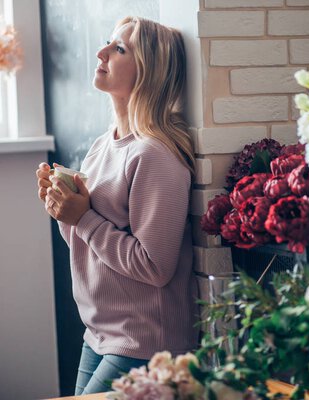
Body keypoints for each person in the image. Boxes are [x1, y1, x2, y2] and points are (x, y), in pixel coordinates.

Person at [35, 16, 198, 395]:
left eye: (120, 49)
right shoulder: (103, 145)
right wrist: (62, 206)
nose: (101, 52)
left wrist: (83, 217)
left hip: (145, 343)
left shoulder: (154, 155)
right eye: (109, 43)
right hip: (101, 334)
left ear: (149, 73)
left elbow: (155, 267)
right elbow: (86, 242)